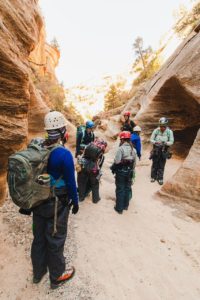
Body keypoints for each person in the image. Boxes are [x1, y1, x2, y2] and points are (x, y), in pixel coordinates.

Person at [31, 111, 79, 289]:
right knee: (55, 238)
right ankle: (57, 276)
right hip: (56, 204)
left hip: (37, 200)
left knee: (39, 237)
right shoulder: (63, 154)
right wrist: (75, 202)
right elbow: (71, 182)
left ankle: (38, 272)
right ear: (61, 131)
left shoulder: (37, 147)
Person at [111, 131, 136, 214]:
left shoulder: (121, 149)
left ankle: (119, 208)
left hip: (121, 172)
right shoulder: (134, 150)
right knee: (127, 188)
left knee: (120, 189)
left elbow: (117, 161)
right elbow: (134, 163)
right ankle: (125, 206)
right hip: (129, 172)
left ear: (122, 139)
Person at [77, 138, 107, 203]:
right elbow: (100, 165)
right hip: (94, 170)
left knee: (82, 183)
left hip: (84, 168)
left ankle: (81, 197)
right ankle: (96, 199)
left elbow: (82, 156)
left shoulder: (88, 147)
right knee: (95, 185)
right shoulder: (101, 155)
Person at [150, 117, 174, 185]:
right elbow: (151, 139)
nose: (162, 127)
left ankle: (160, 178)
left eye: (163, 126)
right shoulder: (156, 130)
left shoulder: (169, 132)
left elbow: (171, 141)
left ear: (166, 125)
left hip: (164, 150)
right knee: (155, 163)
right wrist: (156, 142)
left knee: (162, 164)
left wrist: (165, 143)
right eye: (161, 126)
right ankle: (153, 176)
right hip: (156, 149)